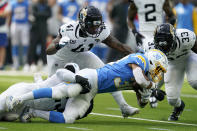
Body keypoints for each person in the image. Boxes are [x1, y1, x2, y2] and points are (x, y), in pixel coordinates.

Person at [6, 49, 168, 123]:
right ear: (152, 61)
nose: (157, 73)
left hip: (93, 91)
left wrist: (147, 95)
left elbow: (142, 101)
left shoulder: (144, 76)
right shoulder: (140, 59)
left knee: (67, 119)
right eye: (158, 68)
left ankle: (32, 112)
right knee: (59, 92)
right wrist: (153, 87)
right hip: (91, 77)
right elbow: (139, 78)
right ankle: (20, 98)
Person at [46, 5, 137, 117]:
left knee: (107, 73)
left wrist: (137, 58)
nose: (95, 29)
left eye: (97, 24)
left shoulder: (101, 31)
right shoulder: (69, 30)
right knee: (52, 90)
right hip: (60, 57)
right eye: (91, 25)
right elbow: (48, 50)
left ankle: (124, 106)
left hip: (81, 54)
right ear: (83, 23)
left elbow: (120, 46)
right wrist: (58, 45)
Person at [127, 0, 176, 108]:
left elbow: (171, 16)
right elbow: (129, 19)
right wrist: (135, 33)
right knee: (147, 67)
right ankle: (150, 92)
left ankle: (151, 92)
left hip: (159, 36)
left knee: (161, 66)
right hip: (145, 37)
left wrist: (167, 30)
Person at [145, 23, 197, 121]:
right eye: (160, 43)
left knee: (195, 81)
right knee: (172, 99)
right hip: (172, 64)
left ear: (174, 38)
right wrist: (153, 89)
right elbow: (149, 71)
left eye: (166, 43)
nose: (164, 47)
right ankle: (179, 107)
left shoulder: (185, 37)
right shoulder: (150, 47)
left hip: (189, 56)